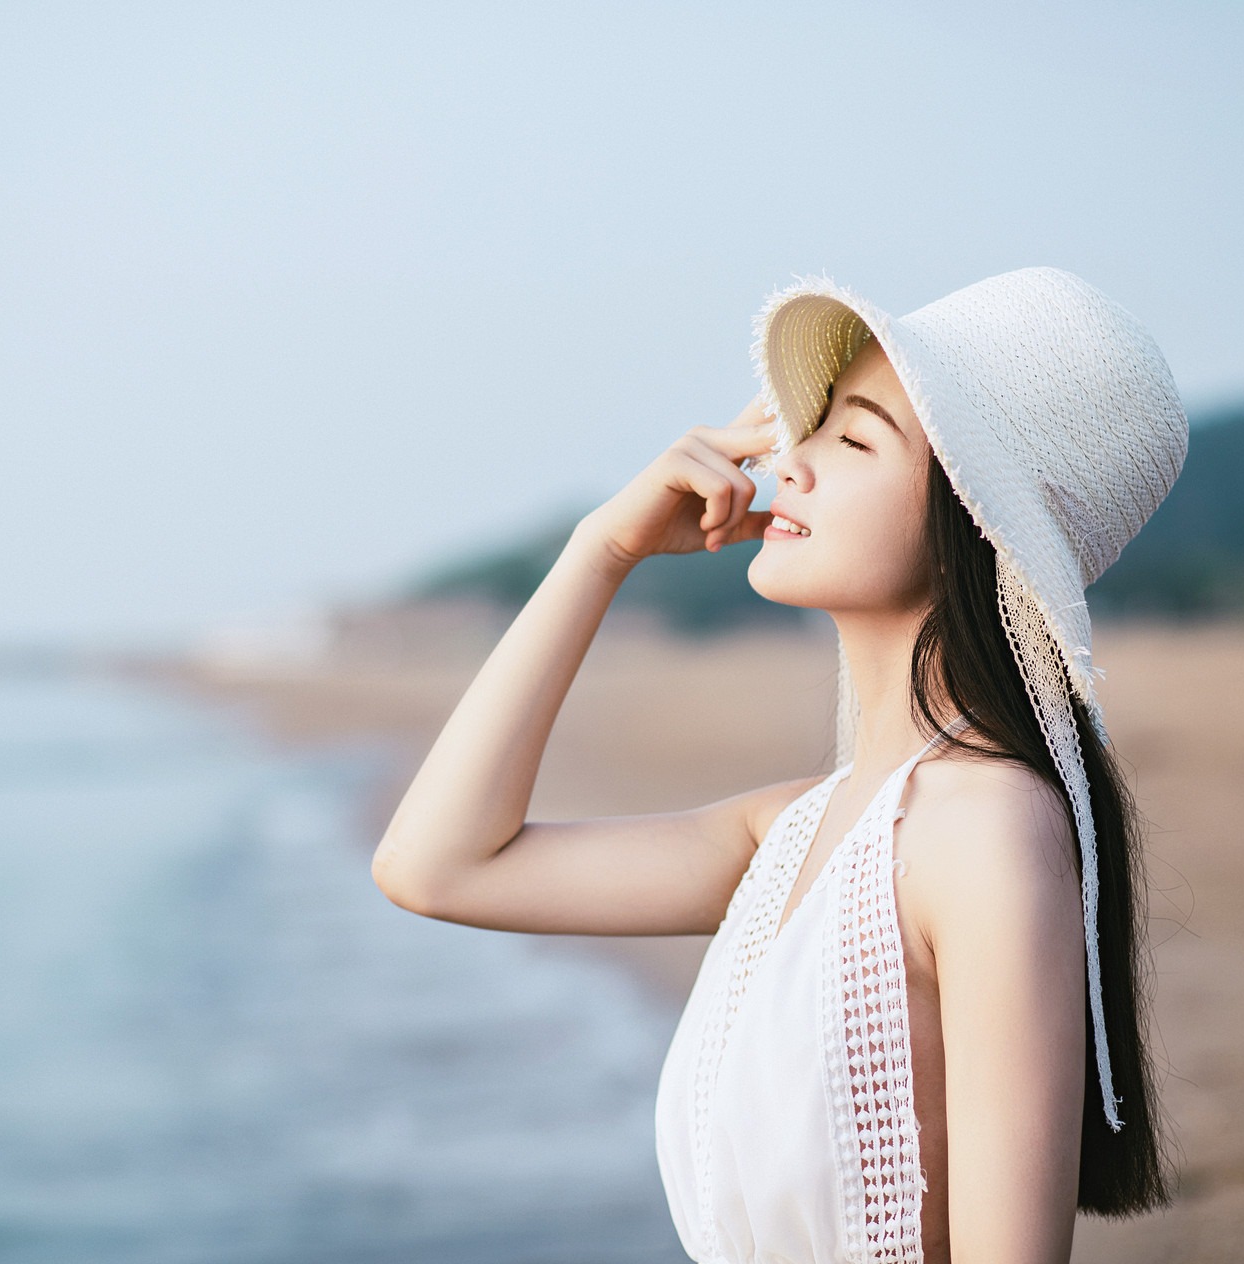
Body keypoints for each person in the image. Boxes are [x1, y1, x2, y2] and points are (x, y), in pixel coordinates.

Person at [373, 267, 1187, 1263]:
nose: (789, 463)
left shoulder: (981, 825)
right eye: (815, 427)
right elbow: (434, 865)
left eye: (854, 439)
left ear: (975, 523)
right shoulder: (799, 827)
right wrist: (600, 549)